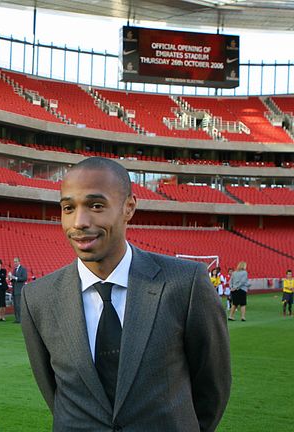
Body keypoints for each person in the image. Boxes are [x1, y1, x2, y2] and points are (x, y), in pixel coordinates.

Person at [21, 157, 230, 431]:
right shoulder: (38, 298)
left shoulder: (185, 284)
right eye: (68, 208)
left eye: (96, 206)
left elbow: (212, 387)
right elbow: (54, 392)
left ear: (128, 207)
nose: (79, 222)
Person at [8, 257, 28, 324]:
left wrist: (15, 278)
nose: (15, 263)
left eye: (16, 261)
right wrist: (10, 278)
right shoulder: (14, 270)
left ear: (19, 262)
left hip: (19, 289)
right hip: (14, 289)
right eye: (14, 262)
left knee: (19, 305)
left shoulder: (23, 269)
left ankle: (20, 319)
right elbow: (14, 280)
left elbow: (24, 278)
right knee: (15, 305)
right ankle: (17, 318)